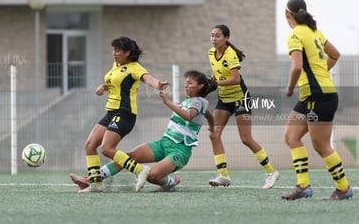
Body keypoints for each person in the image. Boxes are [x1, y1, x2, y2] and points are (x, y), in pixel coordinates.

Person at [71, 70, 216, 191]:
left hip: (179, 150)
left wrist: (167, 102)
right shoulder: (191, 102)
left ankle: (170, 182)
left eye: (190, 83)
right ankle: (92, 179)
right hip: (163, 143)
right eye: (186, 82)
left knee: (152, 176)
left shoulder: (198, 101)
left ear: (201, 86)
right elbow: (208, 114)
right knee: (127, 158)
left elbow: (190, 116)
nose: (186, 86)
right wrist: (212, 126)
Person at [72, 36, 169, 193]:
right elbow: (115, 84)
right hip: (111, 112)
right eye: (113, 49)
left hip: (125, 113)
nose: (113, 53)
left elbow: (147, 78)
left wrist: (157, 84)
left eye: (117, 50)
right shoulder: (116, 65)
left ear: (127, 53)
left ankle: (140, 170)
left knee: (106, 148)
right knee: (90, 145)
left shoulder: (135, 67)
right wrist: (103, 87)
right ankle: (96, 185)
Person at [280, 0, 352, 200]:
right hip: (311, 96)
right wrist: (322, 72)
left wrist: (289, 88)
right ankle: (303, 186)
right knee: (291, 137)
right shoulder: (315, 32)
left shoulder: (295, 35)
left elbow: (297, 66)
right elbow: (335, 54)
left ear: (287, 14)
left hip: (318, 98)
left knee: (321, 145)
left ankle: (343, 188)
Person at [207, 24, 279, 189]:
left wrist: (216, 83)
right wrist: (209, 82)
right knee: (213, 134)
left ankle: (271, 172)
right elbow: (216, 74)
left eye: (217, 36)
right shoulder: (211, 53)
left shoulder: (230, 55)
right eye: (212, 35)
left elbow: (236, 79)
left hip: (240, 98)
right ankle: (223, 176)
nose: (213, 39)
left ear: (226, 38)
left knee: (246, 139)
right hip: (224, 99)